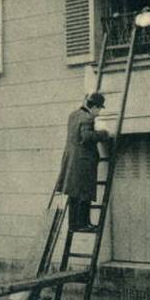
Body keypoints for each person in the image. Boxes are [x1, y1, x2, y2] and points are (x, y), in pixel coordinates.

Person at [56, 93, 111, 232]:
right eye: (99, 109)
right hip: (83, 162)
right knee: (84, 193)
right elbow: (86, 137)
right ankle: (83, 224)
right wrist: (103, 134)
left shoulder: (73, 115)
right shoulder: (88, 118)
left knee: (74, 194)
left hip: (71, 160)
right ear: (93, 107)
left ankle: (74, 224)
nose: (98, 113)